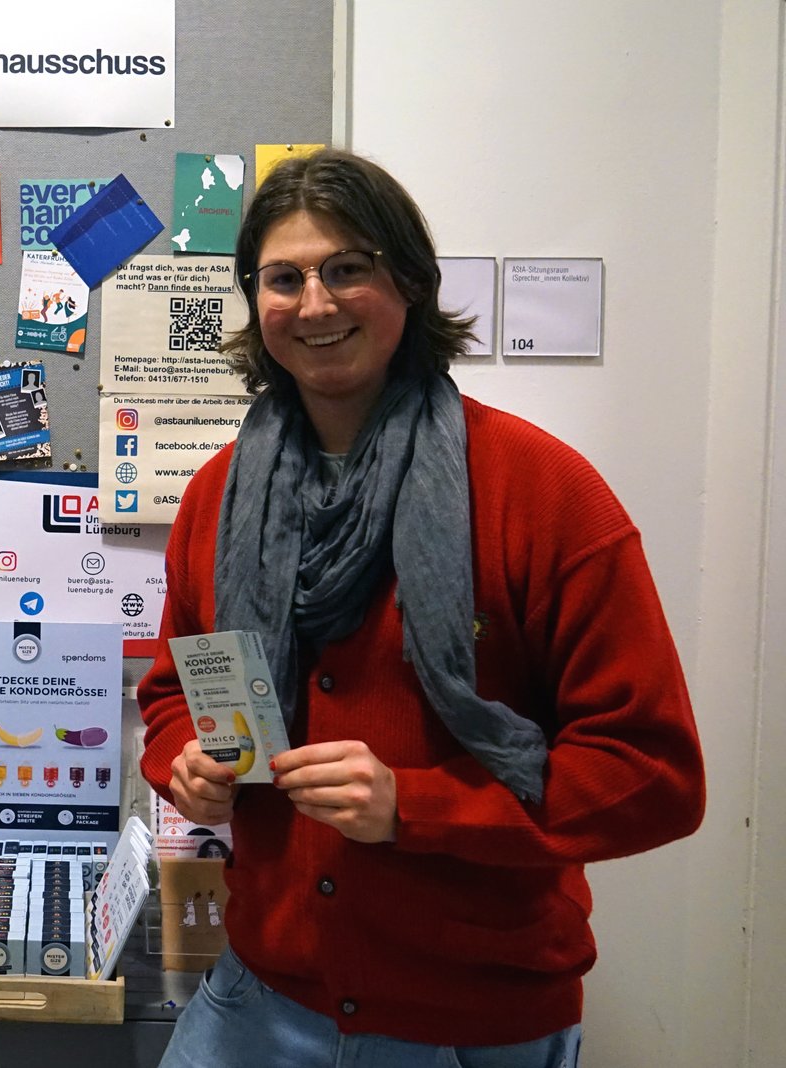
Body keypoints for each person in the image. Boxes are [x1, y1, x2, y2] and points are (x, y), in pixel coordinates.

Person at [139, 148, 704, 1067]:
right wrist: (184, 762)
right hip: (260, 1001)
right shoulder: (217, 497)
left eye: (348, 269)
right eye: (283, 278)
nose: (315, 304)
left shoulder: (543, 493)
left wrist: (418, 806)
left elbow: (653, 775)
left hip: (475, 1025)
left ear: (410, 282)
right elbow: (172, 692)